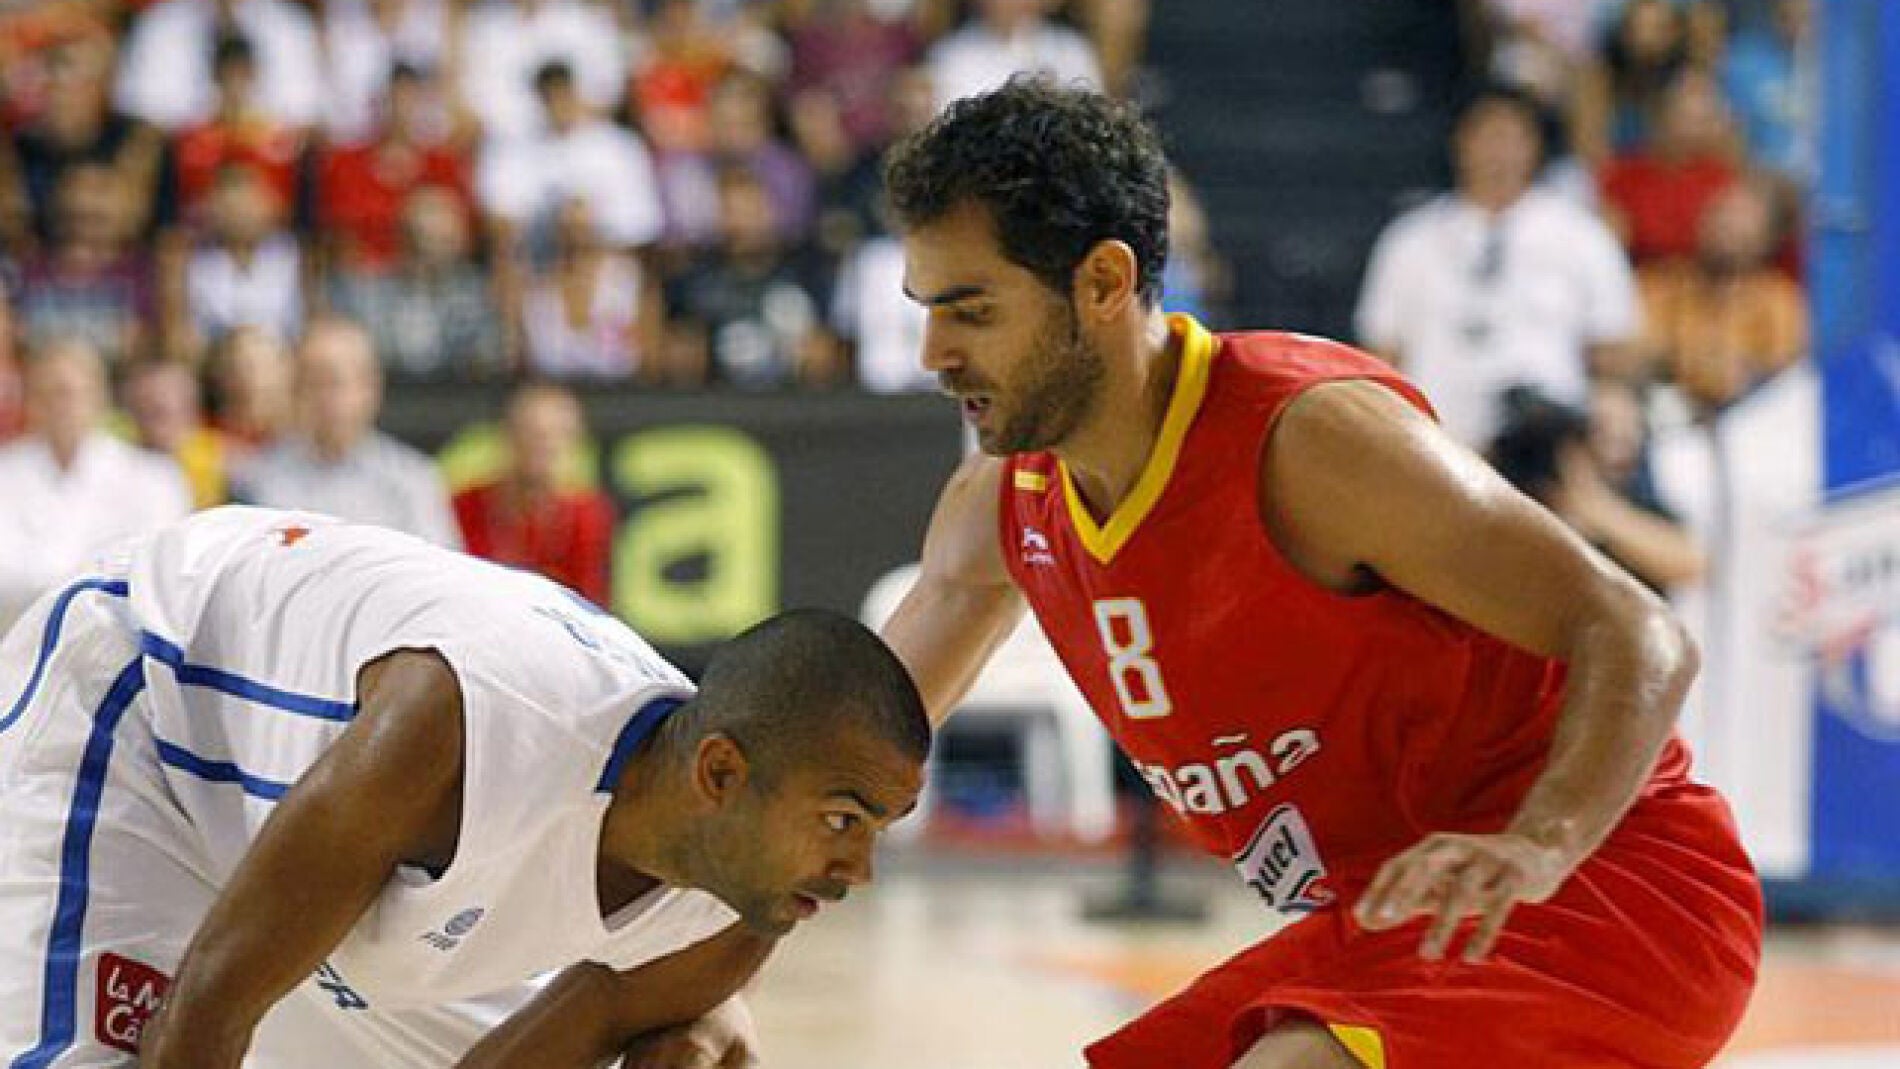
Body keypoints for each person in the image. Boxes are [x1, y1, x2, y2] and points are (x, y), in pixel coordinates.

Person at [879, 78, 1761, 1069]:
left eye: (970, 310)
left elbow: (1640, 632)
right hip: (1395, 920)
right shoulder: (1002, 508)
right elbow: (845, 743)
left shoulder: (1306, 440)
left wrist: (1540, 841)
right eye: (926, 310)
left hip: (1613, 894)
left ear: (1103, 282)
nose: (933, 352)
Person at [0, 505, 927, 1068]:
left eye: (879, 826)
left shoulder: (733, 913)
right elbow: (207, 1011)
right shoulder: (462, 725)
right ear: (720, 772)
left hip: (320, 837)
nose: (860, 867)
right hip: (147, 698)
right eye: (842, 817)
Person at [234, 316, 462, 547]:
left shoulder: (413, 480)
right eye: (311, 381)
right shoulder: (254, 479)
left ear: (370, 387)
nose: (325, 398)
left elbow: (440, 564)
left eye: (335, 381)